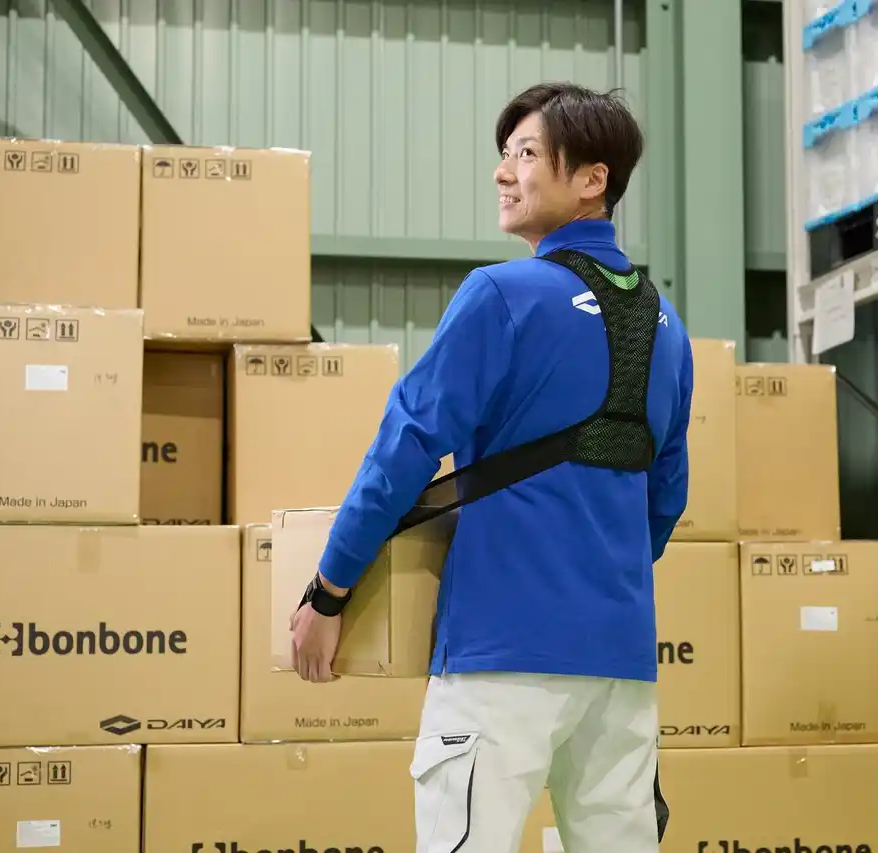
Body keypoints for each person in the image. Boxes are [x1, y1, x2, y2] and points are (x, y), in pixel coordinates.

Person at [288, 82, 693, 853]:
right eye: (505, 154)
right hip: (620, 668)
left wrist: (329, 589)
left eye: (528, 154)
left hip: (499, 658)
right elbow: (665, 497)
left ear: (593, 179)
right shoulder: (666, 324)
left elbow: (405, 448)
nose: (504, 172)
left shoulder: (502, 295)